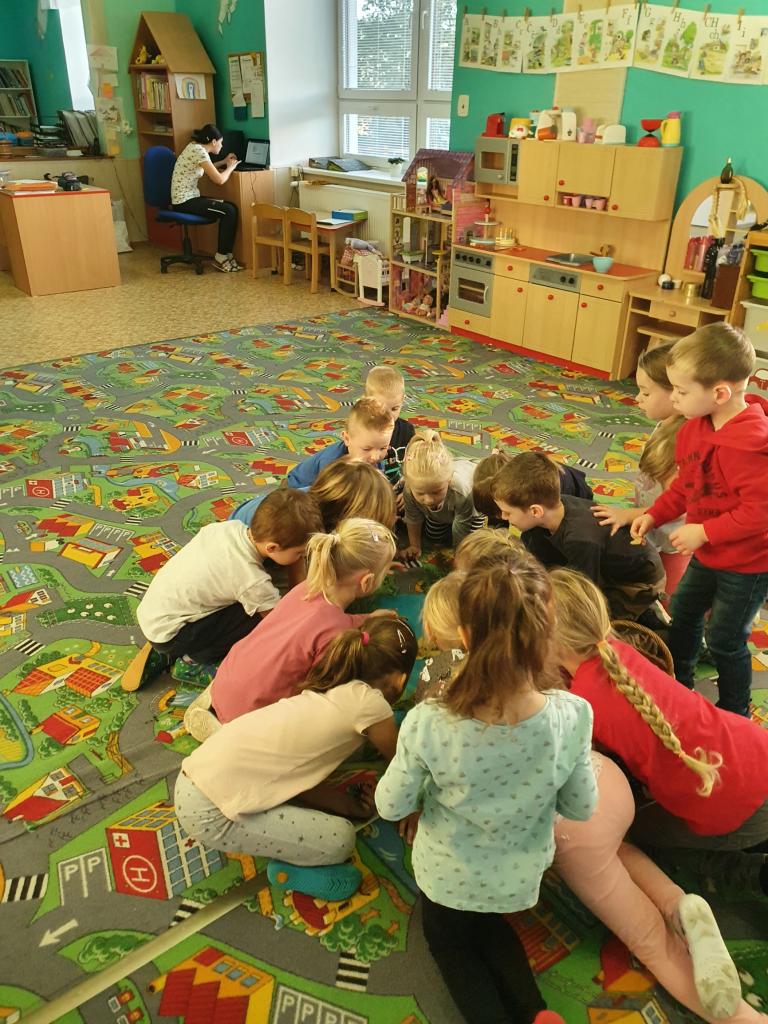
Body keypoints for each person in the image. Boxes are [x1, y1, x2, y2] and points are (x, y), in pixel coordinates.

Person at [419, 561, 757, 1023]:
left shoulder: (438, 699)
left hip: (575, 829)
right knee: (618, 846)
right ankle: (680, 904)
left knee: (647, 938)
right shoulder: (558, 678)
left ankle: (742, 1018)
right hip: (613, 785)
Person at [376, 558, 597, 1024]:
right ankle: (537, 1014)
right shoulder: (574, 713)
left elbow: (390, 804)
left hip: (448, 876)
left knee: (450, 943)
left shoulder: (429, 722)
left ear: (465, 635)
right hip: (517, 878)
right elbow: (581, 806)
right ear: (548, 636)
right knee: (491, 927)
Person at [551, 568, 768, 899]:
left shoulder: (579, 704)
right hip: (755, 751)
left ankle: (752, 873)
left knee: (632, 833)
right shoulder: (618, 650)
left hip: (733, 804)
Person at [175, 616, 417, 902]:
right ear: (401, 681)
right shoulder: (372, 705)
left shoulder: (333, 684)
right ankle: (287, 871)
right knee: (339, 840)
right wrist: (412, 807)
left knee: (319, 801)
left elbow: (298, 778)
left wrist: (349, 806)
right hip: (209, 813)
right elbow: (404, 765)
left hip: (195, 776)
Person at [631, 324, 768, 716]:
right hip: (709, 554)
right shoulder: (694, 428)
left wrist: (704, 531)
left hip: (747, 564)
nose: (674, 398)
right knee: (684, 614)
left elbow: (759, 513)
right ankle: (679, 684)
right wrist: (655, 514)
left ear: (720, 393)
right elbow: (686, 487)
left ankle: (735, 711)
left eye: (681, 391)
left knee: (725, 637)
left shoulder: (751, 445)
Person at [186, 517, 397, 739]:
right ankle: (225, 734)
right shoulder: (336, 636)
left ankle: (214, 707)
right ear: (367, 582)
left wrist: (367, 618)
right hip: (248, 716)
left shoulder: (306, 589)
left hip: (227, 679)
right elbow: (322, 689)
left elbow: (325, 623)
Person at [122, 489, 323, 691]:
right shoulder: (251, 580)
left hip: (155, 612)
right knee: (256, 618)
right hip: (174, 633)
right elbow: (278, 622)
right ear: (271, 547)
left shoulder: (230, 528)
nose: (301, 558)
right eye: (299, 554)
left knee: (250, 598)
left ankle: (165, 650)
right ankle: (193, 662)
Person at [493, 452, 664, 622]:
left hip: (637, 582)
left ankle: (650, 615)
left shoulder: (579, 540)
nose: (503, 517)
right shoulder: (551, 512)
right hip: (605, 564)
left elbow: (586, 596)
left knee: (593, 622)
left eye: (508, 512)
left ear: (536, 511)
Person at [593, 343, 688, 604]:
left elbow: (679, 509)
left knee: (669, 604)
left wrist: (628, 515)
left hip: (673, 544)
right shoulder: (665, 425)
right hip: (652, 529)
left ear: (676, 393)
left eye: (646, 392)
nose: (637, 398)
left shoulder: (682, 442)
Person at [229, 459, 396, 536]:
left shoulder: (318, 499)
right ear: (341, 516)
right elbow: (302, 585)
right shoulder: (300, 523)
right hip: (245, 554)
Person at [400, 429, 484, 561]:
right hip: (444, 509)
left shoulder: (461, 491)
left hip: (473, 505)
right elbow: (412, 518)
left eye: (436, 492)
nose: (428, 500)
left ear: (449, 480)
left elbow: (462, 528)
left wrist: (459, 555)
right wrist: (415, 545)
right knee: (434, 537)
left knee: (473, 541)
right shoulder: (409, 489)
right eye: (420, 493)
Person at [170, 124, 242, 272]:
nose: (222, 146)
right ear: (214, 142)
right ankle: (221, 256)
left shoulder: (195, 147)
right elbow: (220, 180)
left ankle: (226, 254)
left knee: (231, 207)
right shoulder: (199, 151)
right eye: (221, 143)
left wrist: (224, 162)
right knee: (228, 211)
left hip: (188, 198)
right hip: (184, 202)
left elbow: (206, 167)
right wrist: (231, 167)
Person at [286, 398, 394, 490]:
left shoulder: (372, 457)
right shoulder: (331, 461)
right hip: (297, 489)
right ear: (347, 439)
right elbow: (325, 495)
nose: (375, 456)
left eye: (383, 448)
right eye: (367, 449)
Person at [474, 450, 592, 528]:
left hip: (576, 498)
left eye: (500, 512)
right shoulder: (506, 490)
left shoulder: (548, 495)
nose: (503, 516)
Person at [364, 365, 415, 501]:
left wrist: (408, 491)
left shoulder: (407, 430)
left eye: (394, 409)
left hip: (400, 494)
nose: (389, 416)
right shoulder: (363, 431)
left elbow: (414, 467)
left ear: (402, 400)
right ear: (367, 401)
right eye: (382, 409)